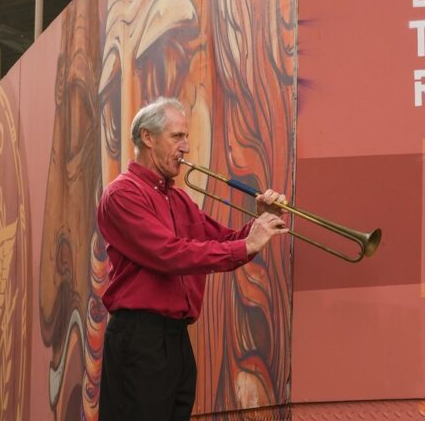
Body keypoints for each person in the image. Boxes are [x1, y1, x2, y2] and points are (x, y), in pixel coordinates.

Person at [96, 98, 289, 421]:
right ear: (147, 137)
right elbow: (168, 254)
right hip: (140, 336)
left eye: (185, 137)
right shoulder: (123, 194)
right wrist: (246, 245)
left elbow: (224, 241)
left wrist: (260, 224)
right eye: (177, 137)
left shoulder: (178, 198)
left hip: (175, 338)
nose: (186, 147)